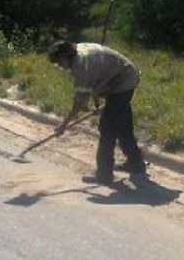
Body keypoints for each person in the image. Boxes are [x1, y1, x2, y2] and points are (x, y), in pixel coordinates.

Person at [48, 41, 146, 185]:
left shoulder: (81, 66)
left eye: (59, 62)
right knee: (122, 126)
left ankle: (104, 175)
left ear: (65, 57)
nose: (60, 66)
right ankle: (136, 163)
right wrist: (96, 100)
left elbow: (79, 103)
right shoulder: (79, 51)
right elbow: (95, 76)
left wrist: (64, 125)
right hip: (124, 75)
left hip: (122, 83)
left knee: (107, 129)